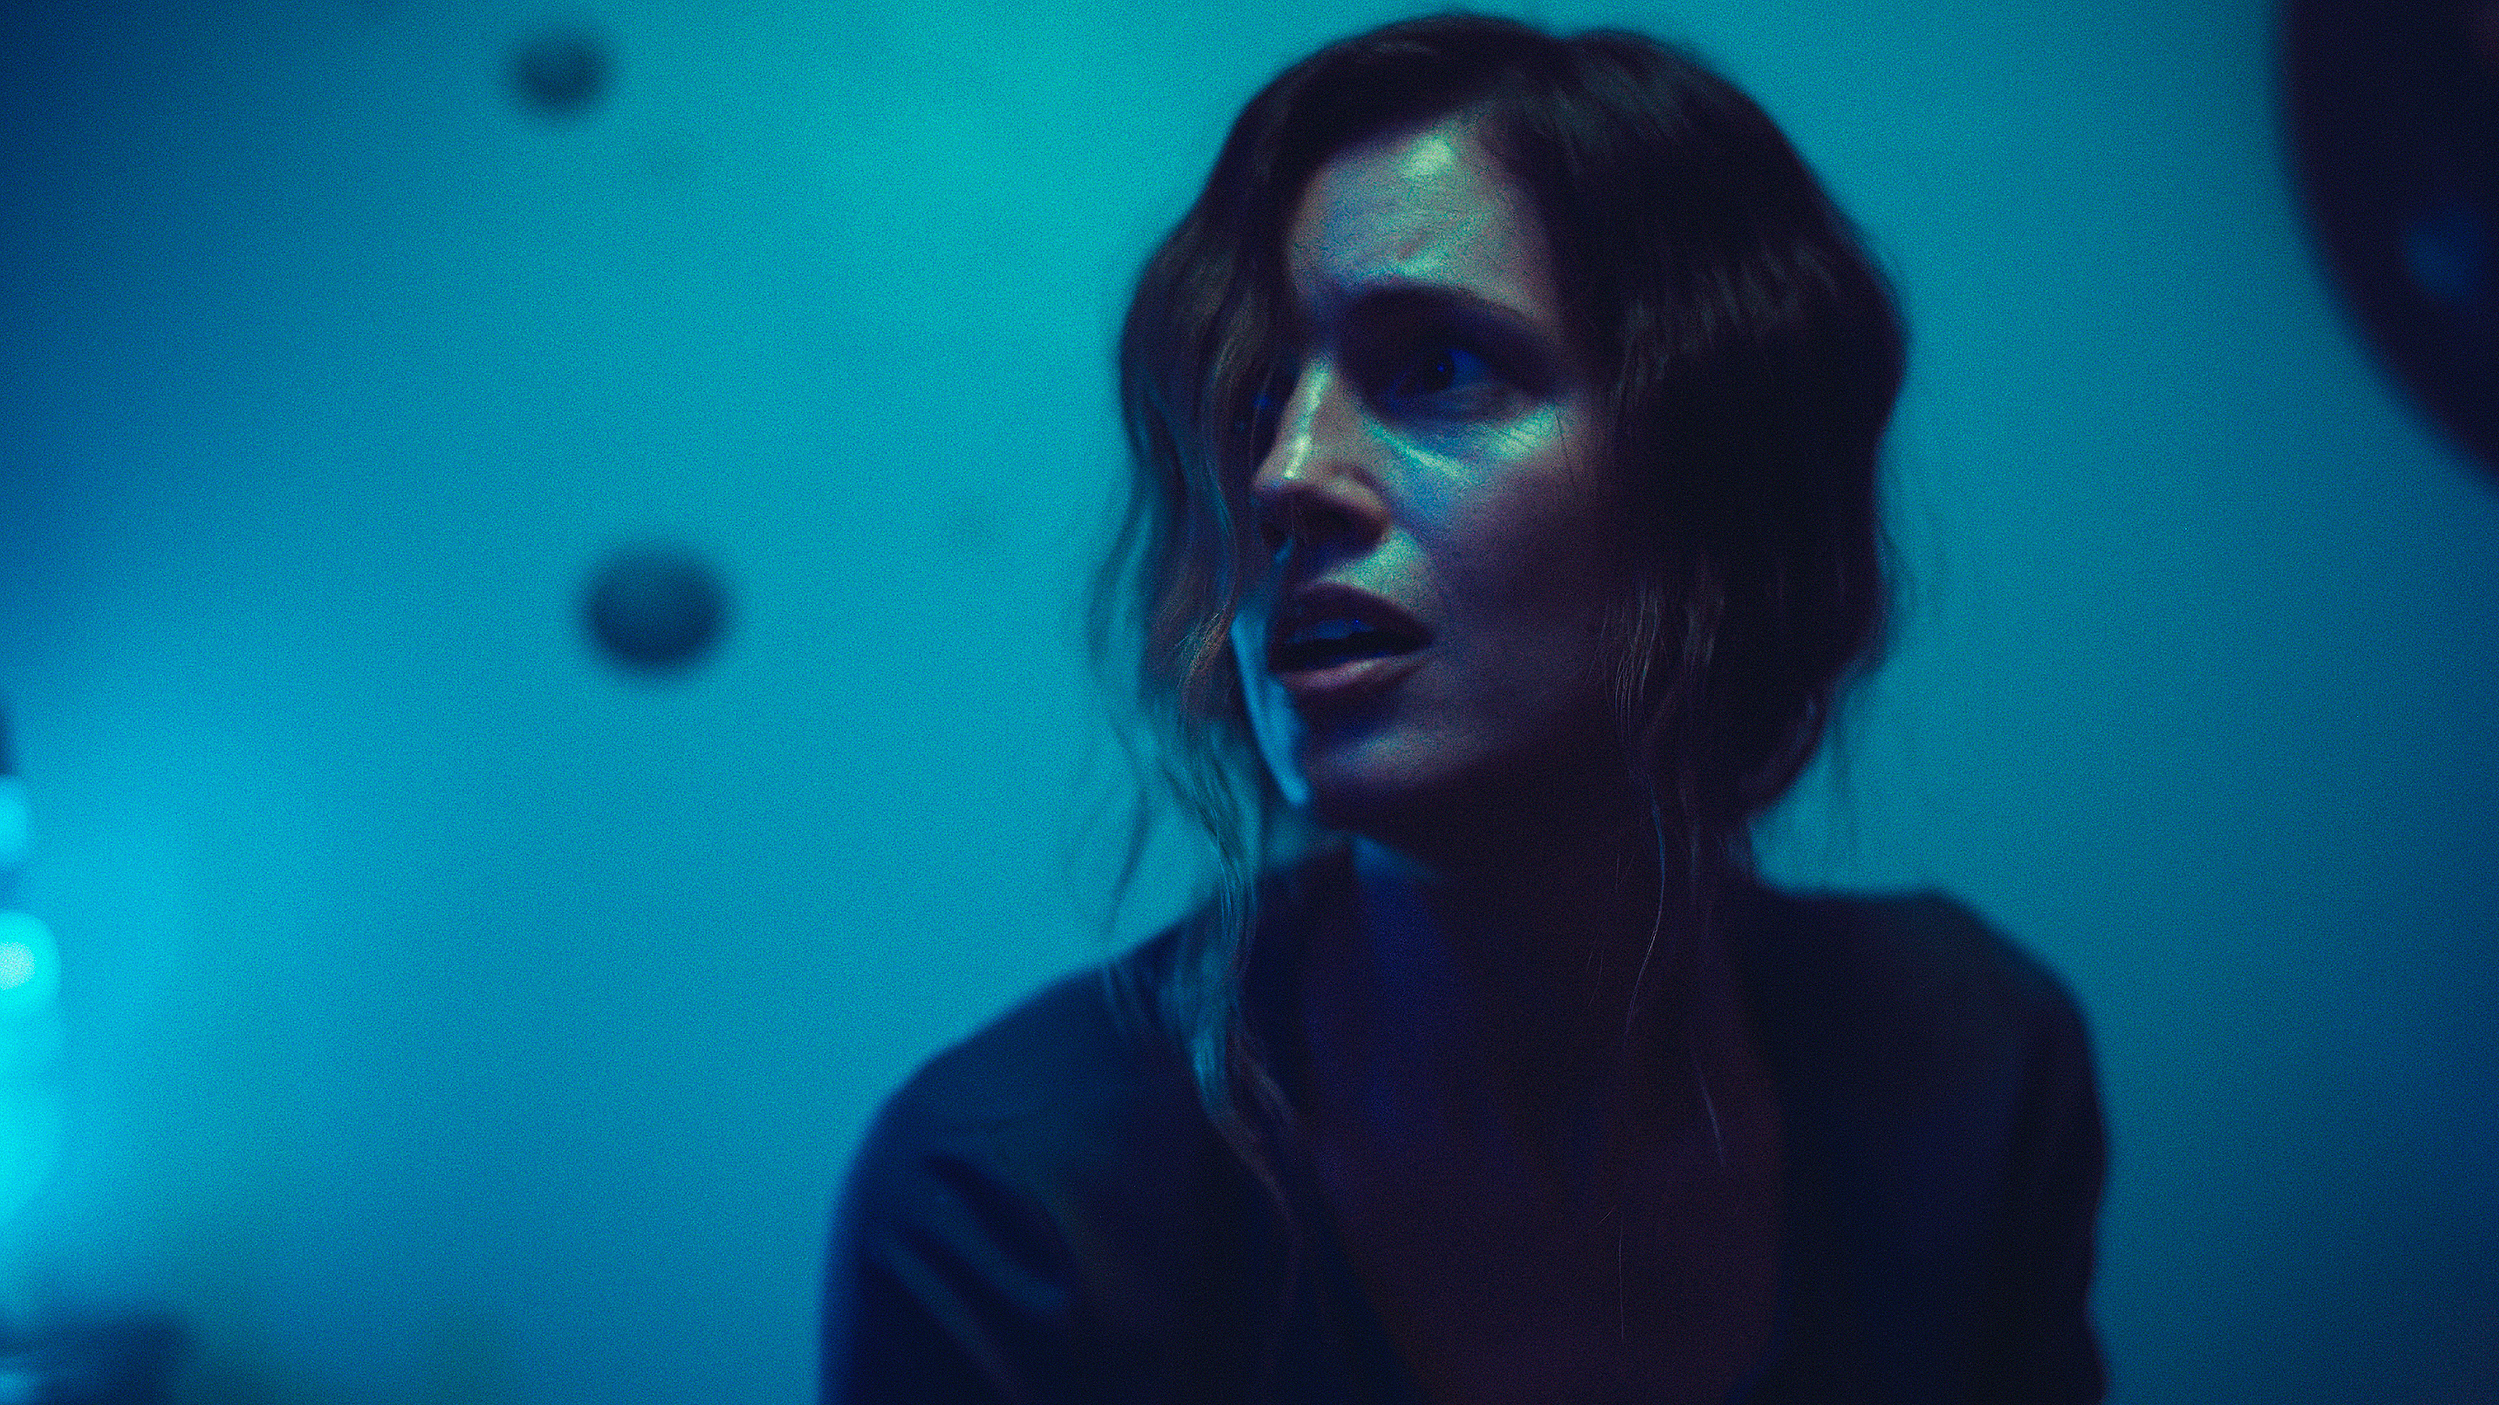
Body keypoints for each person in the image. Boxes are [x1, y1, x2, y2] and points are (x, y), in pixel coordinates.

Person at [821, 14, 2105, 1404]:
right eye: (1253, 399)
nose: (1284, 475)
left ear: (1722, 480)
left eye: (1436, 368)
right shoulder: (1015, 1210)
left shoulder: (1963, 1077)